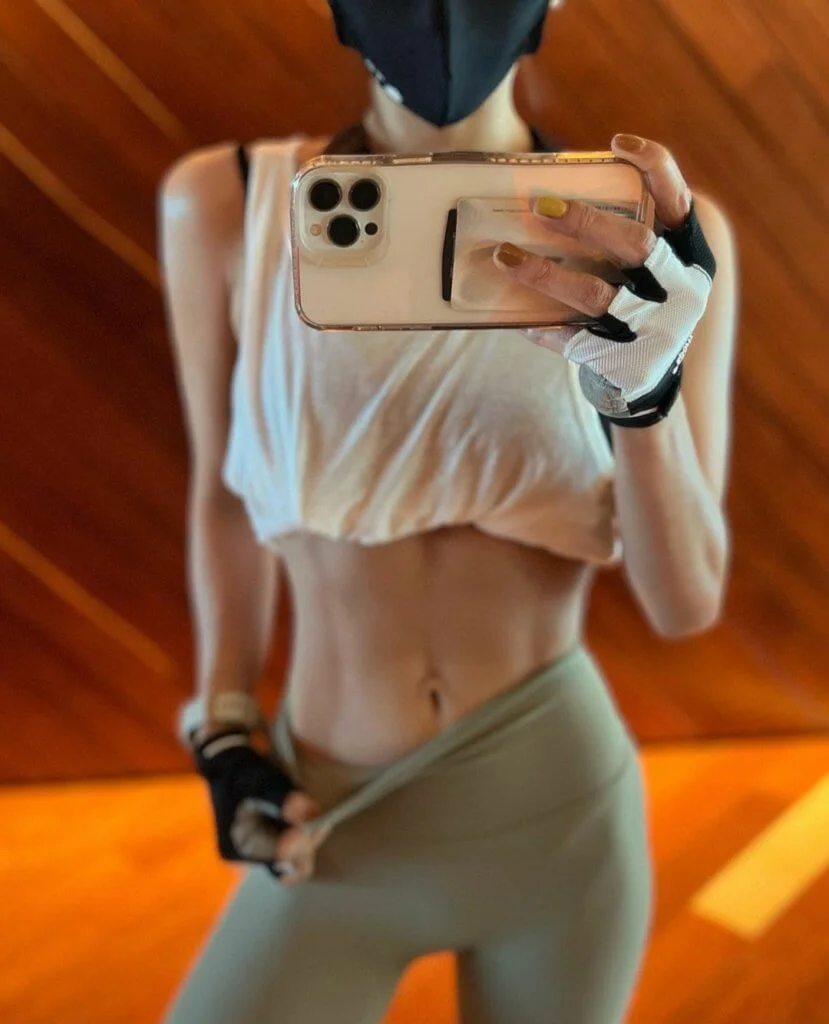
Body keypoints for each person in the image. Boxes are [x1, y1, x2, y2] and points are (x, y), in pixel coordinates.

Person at [157, 1, 738, 1021]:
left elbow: (683, 600)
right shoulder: (225, 202)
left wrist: (642, 399)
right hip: (332, 815)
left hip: (556, 816)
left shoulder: (648, 238)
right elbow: (221, 495)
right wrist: (225, 722)